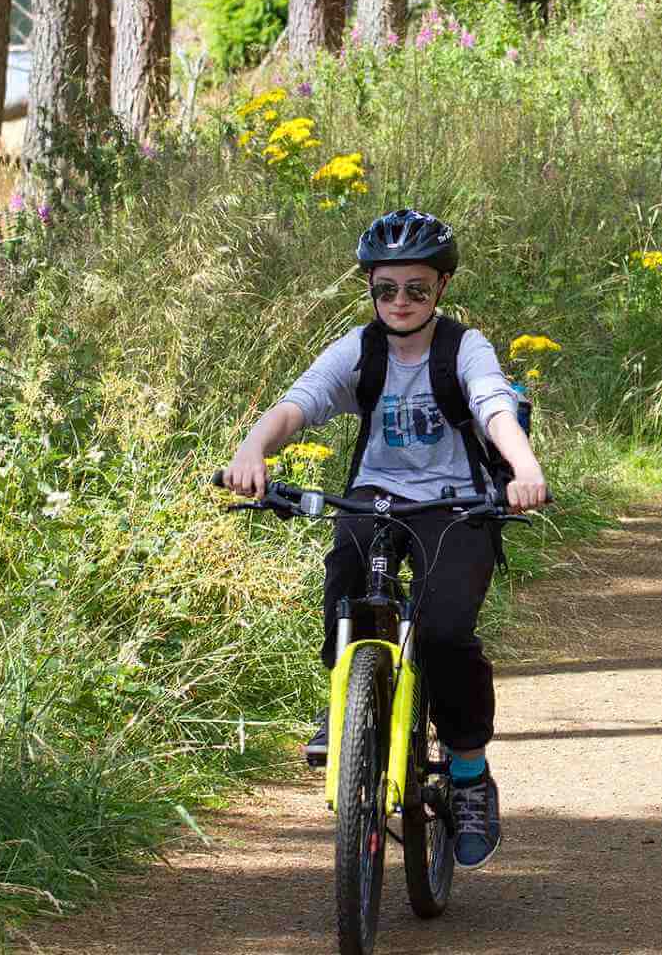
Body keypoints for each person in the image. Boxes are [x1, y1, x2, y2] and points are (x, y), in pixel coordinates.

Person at [223, 209, 548, 870]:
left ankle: (468, 774)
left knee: (443, 632)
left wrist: (524, 468)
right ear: (371, 289)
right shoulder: (359, 349)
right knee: (344, 571)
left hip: (458, 502)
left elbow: (491, 405)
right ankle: (347, 700)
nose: (401, 302)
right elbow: (300, 402)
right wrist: (253, 449)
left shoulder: (464, 348)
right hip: (375, 495)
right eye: (386, 289)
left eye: (417, 289)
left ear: (441, 289)